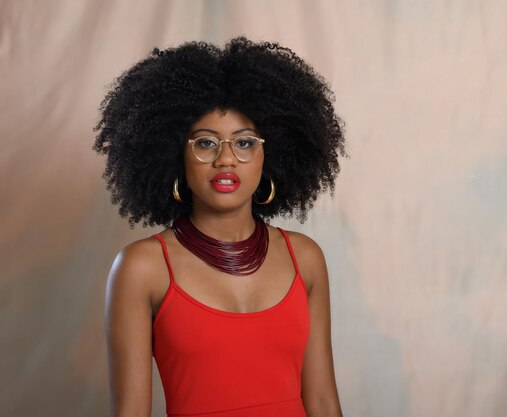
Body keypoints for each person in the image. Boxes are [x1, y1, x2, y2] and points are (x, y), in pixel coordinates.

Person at [94, 37, 346, 417]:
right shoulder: (142, 268)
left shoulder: (304, 258)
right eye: (206, 143)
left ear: (269, 153)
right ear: (175, 153)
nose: (226, 159)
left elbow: (324, 404)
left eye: (244, 143)